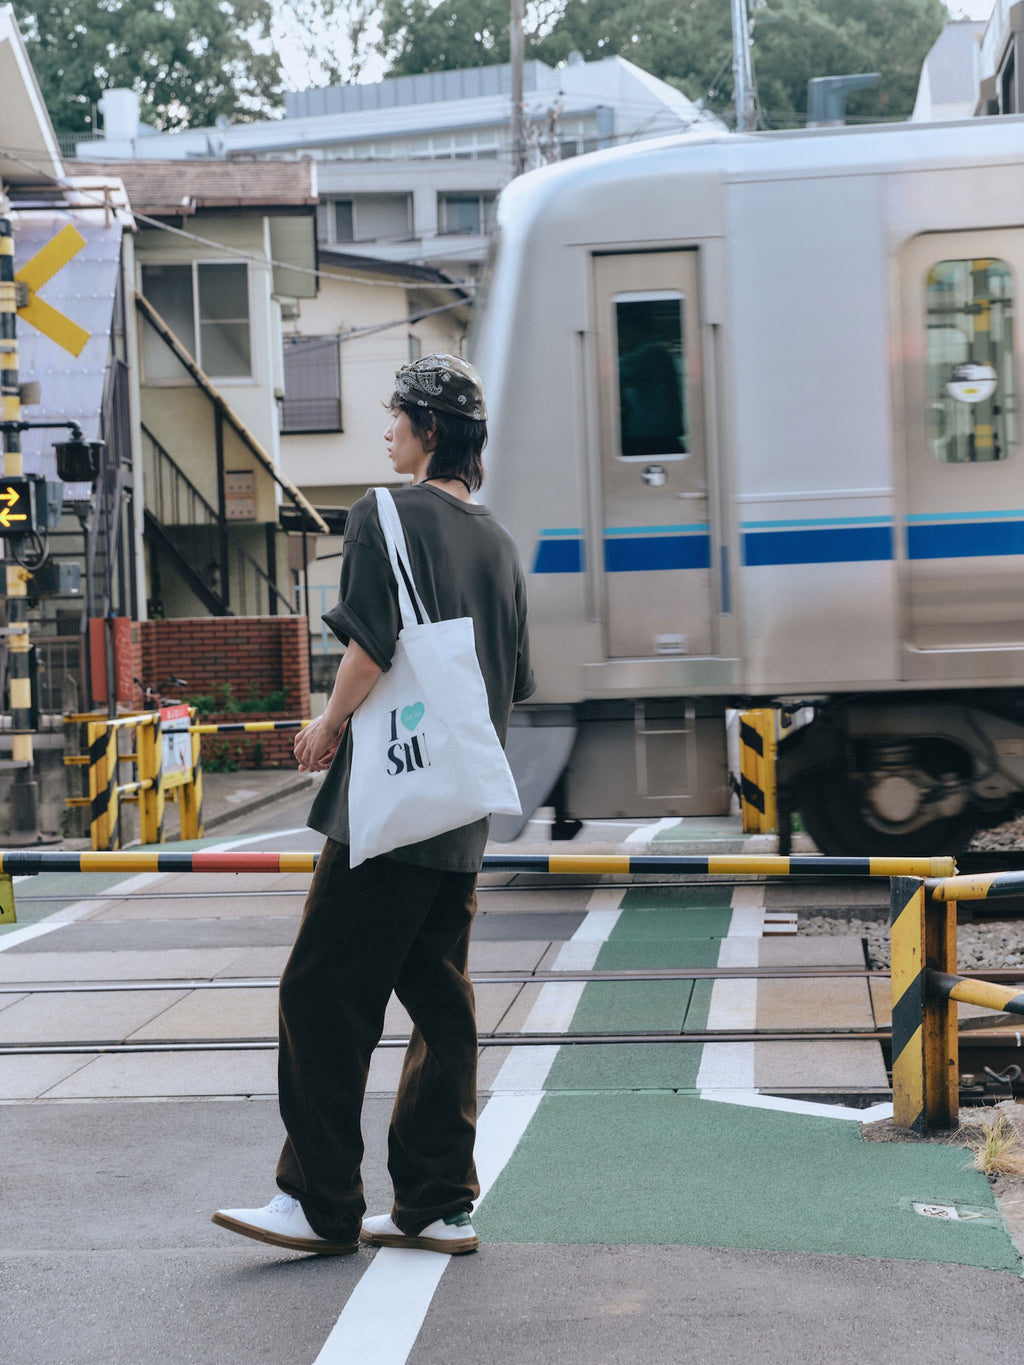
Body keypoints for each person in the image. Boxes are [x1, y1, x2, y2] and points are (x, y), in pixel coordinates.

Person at [212, 354, 535, 1256]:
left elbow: (374, 646)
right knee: (440, 1003)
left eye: (396, 413)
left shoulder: (380, 513)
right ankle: (438, 1202)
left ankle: (320, 1203)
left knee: (322, 994)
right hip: (460, 808)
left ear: (429, 427)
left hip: (387, 806)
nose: (385, 427)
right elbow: (512, 681)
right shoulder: (501, 543)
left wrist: (326, 725)